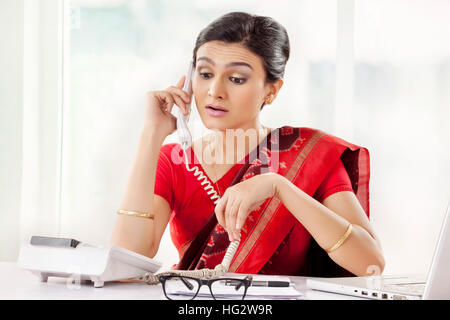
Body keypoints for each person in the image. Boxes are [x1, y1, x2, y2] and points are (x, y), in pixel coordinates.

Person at [110, 12, 385, 277]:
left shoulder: (308, 155)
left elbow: (370, 263)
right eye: (205, 74)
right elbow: (126, 262)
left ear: (271, 90)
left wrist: (279, 188)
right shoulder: (174, 161)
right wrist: (151, 134)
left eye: (236, 79)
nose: (215, 91)